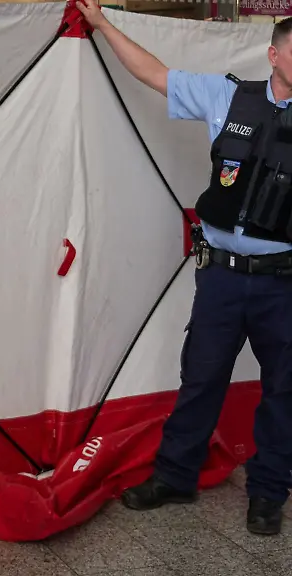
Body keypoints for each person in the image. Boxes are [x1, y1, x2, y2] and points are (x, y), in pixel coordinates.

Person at [77, 0, 292, 535]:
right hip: (220, 276)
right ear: (273, 54)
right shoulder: (228, 97)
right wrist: (103, 24)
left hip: (283, 284)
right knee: (200, 379)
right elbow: (155, 73)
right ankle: (175, 476)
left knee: (285, 390)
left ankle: (268, 493)